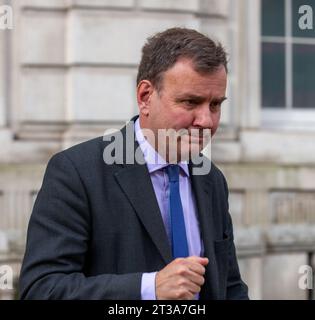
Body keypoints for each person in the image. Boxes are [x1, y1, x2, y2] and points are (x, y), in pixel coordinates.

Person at [19, 27, 248, 300]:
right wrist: (150, 288)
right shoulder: (76, 172)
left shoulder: (212, 179)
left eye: (215, 105)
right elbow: (42, 290)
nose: (206, 121)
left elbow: (230, 287)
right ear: (145, 97)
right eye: (190, 102)